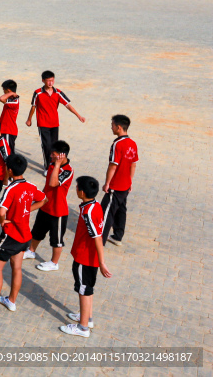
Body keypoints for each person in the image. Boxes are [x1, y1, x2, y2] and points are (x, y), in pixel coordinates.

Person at [0, 153, 46, 317]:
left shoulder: (11, 189)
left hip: (10, 236)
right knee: (17, 268)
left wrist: (3, 221)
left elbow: (1, 210)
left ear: (10, 171)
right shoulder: (31, 186)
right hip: (24, 235)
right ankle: (11, 301)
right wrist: (28, 211)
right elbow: (43, 200)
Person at [60, 176, 112, 337]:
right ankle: (87, 317)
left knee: (83, 290)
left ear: (82, 192)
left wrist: (102, 262)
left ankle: (82, 328)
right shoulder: (94, 205)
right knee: (87, 289)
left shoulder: (88, 212)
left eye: (76, 188)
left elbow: (97, 237)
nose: (75, 189)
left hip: (85, 258)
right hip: (89, 258)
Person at [26, 140, 74, 271]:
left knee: (56, 240)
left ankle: (54, 263)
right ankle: (31, 251)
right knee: (37, 232)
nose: (50, 156)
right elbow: (47, 186)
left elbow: (53, 183)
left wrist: (57, 165)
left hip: (58, 211)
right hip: (45, 206)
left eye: (53, 154)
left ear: (61, 155)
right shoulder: (53, 165)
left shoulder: (67, 171)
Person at [26, 71, 86, 169]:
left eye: (52, 80)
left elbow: (68, 105)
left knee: (54, 146)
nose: (50, 83)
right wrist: (29, 119)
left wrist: (78, 116)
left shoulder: (58, 92)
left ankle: (54, 165)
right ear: (43, 81)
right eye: (48, 81)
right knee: (46, 146)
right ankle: (47, 167)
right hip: (43, 123)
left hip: (54, 123)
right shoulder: (38, 93)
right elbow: (33, 107)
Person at [101, 115, 137, 245]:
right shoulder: (133, 143)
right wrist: (130, 181)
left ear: (119, 127)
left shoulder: (117, 144)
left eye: (112, 125)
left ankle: (100, 241)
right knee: (121, 210)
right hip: (125, 185)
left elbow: (112, 166)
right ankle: (117, 236)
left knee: (106, 212)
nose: (111, 127)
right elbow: (133, 164)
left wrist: (107, 184)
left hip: (115, 186)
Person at [0, 80, 19, 153]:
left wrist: (11, 93)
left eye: (4, 90)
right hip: (6, 130)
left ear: (8, 90)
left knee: (9, 153)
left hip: (8, 131)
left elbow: (1, 98)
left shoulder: (14, 101)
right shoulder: (11, 99)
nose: (3, 93)